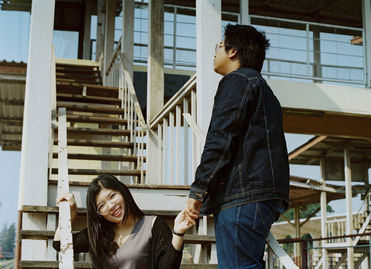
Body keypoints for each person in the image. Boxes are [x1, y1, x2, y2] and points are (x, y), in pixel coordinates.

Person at [185, 24, 290, 268]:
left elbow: (220, 139)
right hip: (264, 195)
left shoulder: (237, 81)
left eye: (219, 46)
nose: (216, 52)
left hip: (244, 195)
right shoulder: (265, 90)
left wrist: (198, 190)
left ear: (233, 51)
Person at [53, 174, 195, 269]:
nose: (110, 206)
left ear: (123, 192)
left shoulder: (152, 225)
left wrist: (178, 232)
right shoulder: (100, 234)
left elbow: (167, 266)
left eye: (112, 196)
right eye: (101, 206)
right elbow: (60, 243)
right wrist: (70, 216)